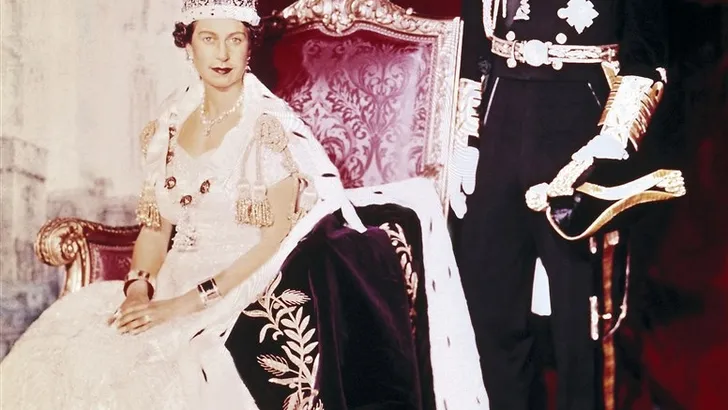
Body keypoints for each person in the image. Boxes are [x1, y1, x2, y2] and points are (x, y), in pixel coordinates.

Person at [0, 1, 369, 408]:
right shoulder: (169, 125)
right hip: (169, 284)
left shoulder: (270, 126)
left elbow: (273, 241)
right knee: (71, 356)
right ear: (189, 47)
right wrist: (138, 290)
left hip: (239, 288)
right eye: (209, 39)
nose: (223, 54)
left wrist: (185, 305)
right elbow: (155, 228)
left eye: (235, 40)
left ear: (249, 47)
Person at [451, 1, 675, 409]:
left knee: (580, 319)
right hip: (499, 122)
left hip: (582, 123)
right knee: (489, 306)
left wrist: (613, 139)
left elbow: (646, 55)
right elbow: (475, 43)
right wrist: (464, 136)